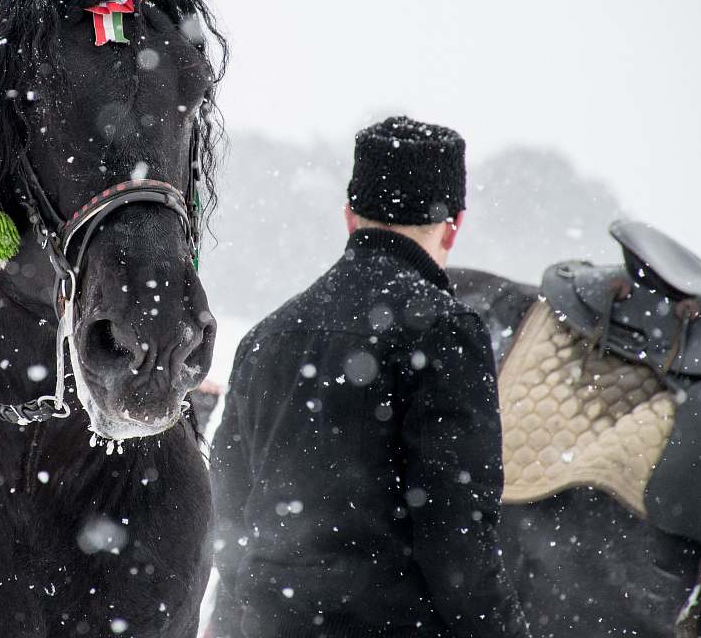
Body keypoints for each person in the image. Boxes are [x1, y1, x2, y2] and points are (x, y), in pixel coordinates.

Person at [209, 116, 531, 638]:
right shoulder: (447, 333)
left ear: (349, 217)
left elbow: (228, 506)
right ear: (454, 225)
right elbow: (456, 537)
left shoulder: (268, 335)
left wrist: (263, 601)